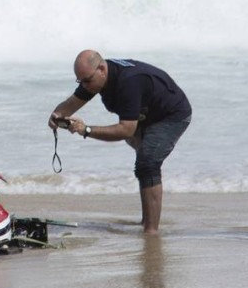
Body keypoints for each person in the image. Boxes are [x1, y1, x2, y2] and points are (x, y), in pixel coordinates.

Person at [48, 50, 192, 234]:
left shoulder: (129, 82)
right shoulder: (95, 79)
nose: (84, 85)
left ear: (101, 69)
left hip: (172, 115)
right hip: (146, 115)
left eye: (87, 80)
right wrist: (57, 115)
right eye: (80, 81)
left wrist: (86, 130)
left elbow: (125, 130)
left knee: (147, 163)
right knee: (144, 160)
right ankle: (146, 220)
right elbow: (71, 104)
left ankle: (151, 232)